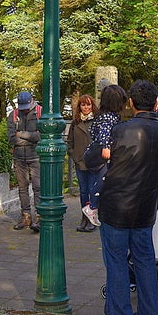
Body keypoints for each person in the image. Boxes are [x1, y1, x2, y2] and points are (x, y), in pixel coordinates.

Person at [86, 80, 158, 315]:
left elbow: (92, 159)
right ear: (155, 104)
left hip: (117, 206)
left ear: (131, 103)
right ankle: (149, 310)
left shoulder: (120, 130)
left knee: (117, 263)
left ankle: (119, 311)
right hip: (145, 207)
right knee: (144, 262)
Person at [81, 84, 126, 229]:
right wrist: (106, 147)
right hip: (101, 154)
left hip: (95, 153)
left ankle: (94, 207)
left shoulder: (103, 115)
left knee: (100, 180)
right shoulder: (108, 117)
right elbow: (105, 132)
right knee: (102, 180)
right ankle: (92, 207)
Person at [7, 91, 41, 233]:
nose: (24, 109)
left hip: (36, 156)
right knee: (22, 188)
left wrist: (20, 134)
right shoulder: (13, 115)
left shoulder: (40, 113)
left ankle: (39, 217)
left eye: (26, 106)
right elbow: (11, 139)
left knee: (38, 188)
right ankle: (25, 216)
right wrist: (30, 137)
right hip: (19, 157)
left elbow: (40, 136)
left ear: (32, 101)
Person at [67, 94, 96, 232]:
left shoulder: (96, 121)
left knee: (92, 190)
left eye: (88, 104)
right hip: (80, 162)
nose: (86, 107)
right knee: (83, 191)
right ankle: (84, 217)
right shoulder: (75, 123)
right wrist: (74, 155)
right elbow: (70, 142)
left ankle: (92, 218)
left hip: (94, 162)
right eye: (83, 105)